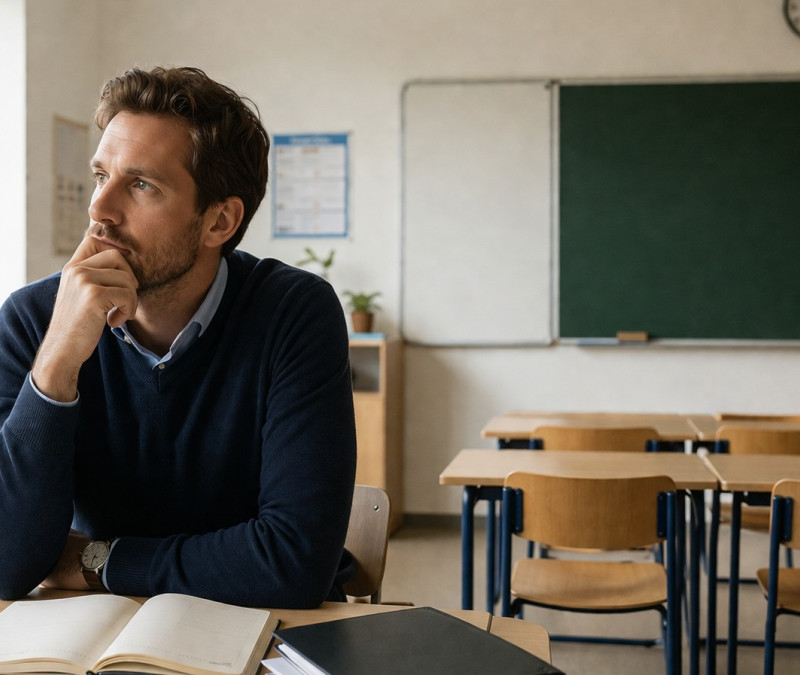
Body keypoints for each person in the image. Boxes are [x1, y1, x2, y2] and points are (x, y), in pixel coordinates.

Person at [0, 66, 357, 607]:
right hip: (95, 635)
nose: (99, 209)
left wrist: (100, 560)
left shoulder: (293, 313)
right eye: (101, 176)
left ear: (219, 222)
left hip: (258, 630)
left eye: (141, 185)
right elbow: (7, 563)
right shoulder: (34, 319)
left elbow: (293, 561)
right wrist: (57, 366)